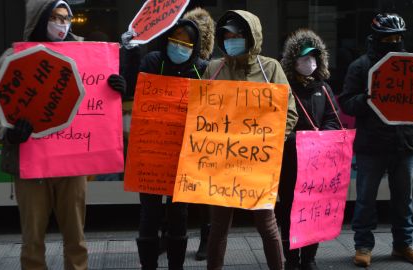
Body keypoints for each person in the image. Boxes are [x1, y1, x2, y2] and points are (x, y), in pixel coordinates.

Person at [0, 1, 126, 269]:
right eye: (55, 17)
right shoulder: (12, 57)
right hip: (29, 162)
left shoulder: (88, 55)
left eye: (66, 18)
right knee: (32, 241)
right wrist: (9, 132)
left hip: (72, 166)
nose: (62, 24)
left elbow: (99, 96)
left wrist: (118, 88)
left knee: (76, 238)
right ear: (39, 19)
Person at [203, 10, 298, 270]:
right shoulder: (214, 68)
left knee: (267, 224)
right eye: (228, 35)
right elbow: (200, 111)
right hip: (221, 162)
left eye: (238, 35)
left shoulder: (271, 68)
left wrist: (271, 141)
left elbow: (289, 111)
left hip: (257, 162)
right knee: (218, 227)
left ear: (251, 37)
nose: (232, 39)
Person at [338, 13, 413, 267]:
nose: (394, 42)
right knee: (366, 198)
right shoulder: (361, 66)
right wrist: (367, 98)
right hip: (372, 145)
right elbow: (346, 102)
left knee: (404, 198)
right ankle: (363, 246)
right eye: (388, 38)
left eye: (398, 37)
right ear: (377, 38)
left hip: (405, 142)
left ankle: (403, 245)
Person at [127, 19, 208, 270]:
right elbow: (132, 84)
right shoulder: (153, 61)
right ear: (166, 39)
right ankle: (147, 266)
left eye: (186, 42)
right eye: (175, 40)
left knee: (179, 215)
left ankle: (176, 266)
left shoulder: (202, 69)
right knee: (149, 214)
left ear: (195, 46)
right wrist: (129, 55)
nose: (179, 46)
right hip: (152, 153)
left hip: (184, 157)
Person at [276, 29, 341, 270]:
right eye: (304, 58)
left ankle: (310, 258)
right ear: (293, 61)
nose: (309, 62)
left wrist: (323, 138)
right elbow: (278, 124)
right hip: (291, 161)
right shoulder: (284, 89)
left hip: (318, 163)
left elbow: (334, 119)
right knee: (289, 210)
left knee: (315, 210)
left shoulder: (323, 88)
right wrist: (300, 140)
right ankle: (291, 258)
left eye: (313, 57)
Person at [182, 6, 216, 261]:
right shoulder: (173, 62)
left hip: (202, 134)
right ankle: (173, 233)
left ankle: (207, 236)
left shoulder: (206, 67)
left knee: (203, 191)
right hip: (178, 131)